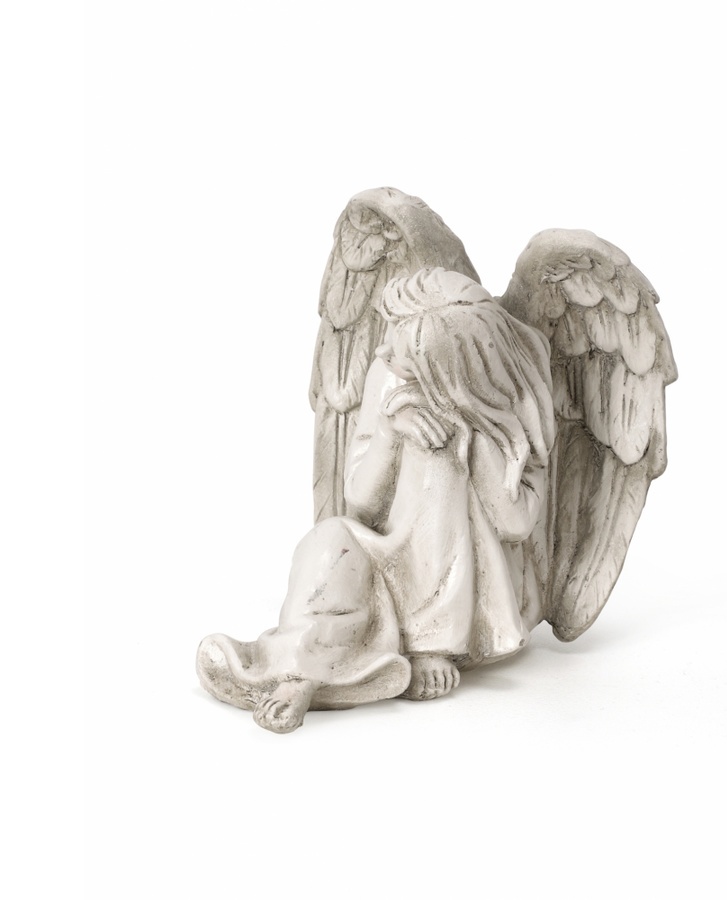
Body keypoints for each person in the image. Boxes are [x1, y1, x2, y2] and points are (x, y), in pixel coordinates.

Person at [196, 268, 555, 732]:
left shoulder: (508, 410)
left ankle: (428, 644)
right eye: (389, 338)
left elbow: (517, 523)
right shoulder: (386, 378)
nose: (383, 352)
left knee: (440, 461)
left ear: (448, 369)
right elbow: (360, 503)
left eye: (402, 354)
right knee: (330, 538)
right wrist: (389, 431)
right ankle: (295, 669)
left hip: (467, 594)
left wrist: (473, 444)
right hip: (386, 555)